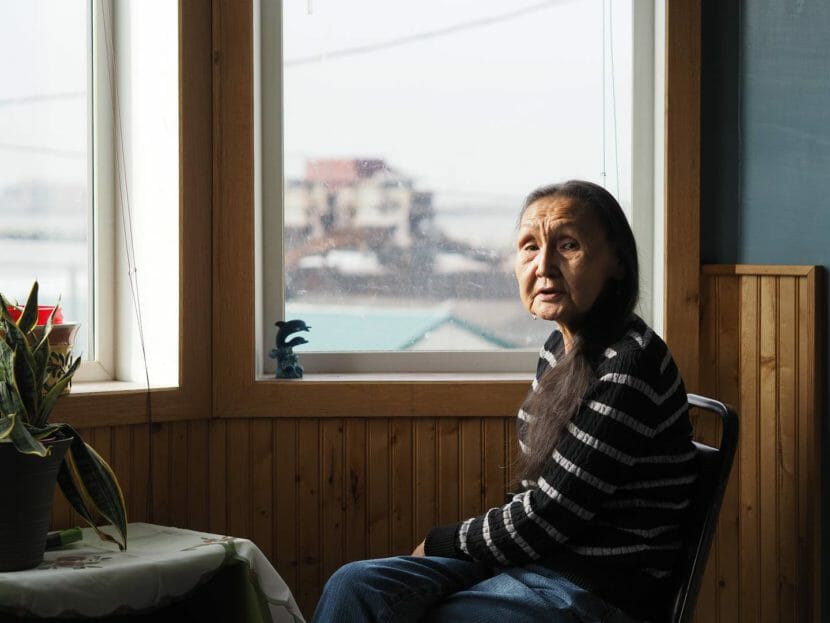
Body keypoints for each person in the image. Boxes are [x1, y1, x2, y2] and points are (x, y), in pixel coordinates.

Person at [312, 180, 697, 623]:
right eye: (529, 247)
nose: (544, 266)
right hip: (533, 563)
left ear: (617, 263)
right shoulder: (560, 348)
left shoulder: (630, 365)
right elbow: (534, 500)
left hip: (596, 586)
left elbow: (548, 515)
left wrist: (440, 542)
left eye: (568, 245)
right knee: (354, 583)